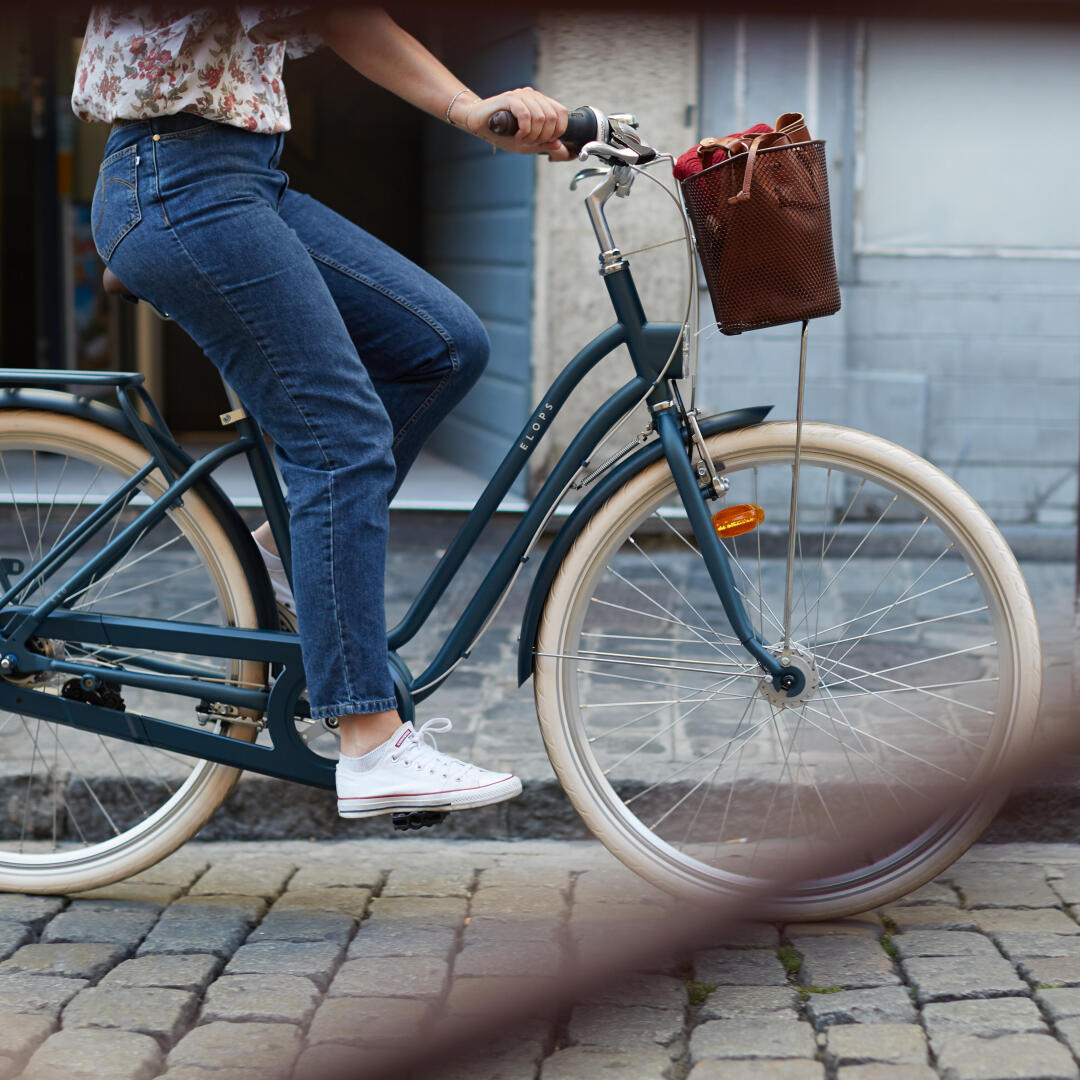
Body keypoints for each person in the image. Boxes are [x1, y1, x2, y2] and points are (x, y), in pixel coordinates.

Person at [72, 6, 571, 820]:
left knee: (444, 345)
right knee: (340, 442)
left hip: (241, 177)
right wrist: (470, 108)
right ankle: (371, 741)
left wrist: (473, 112)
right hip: (175, 179)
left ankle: (276, 559)